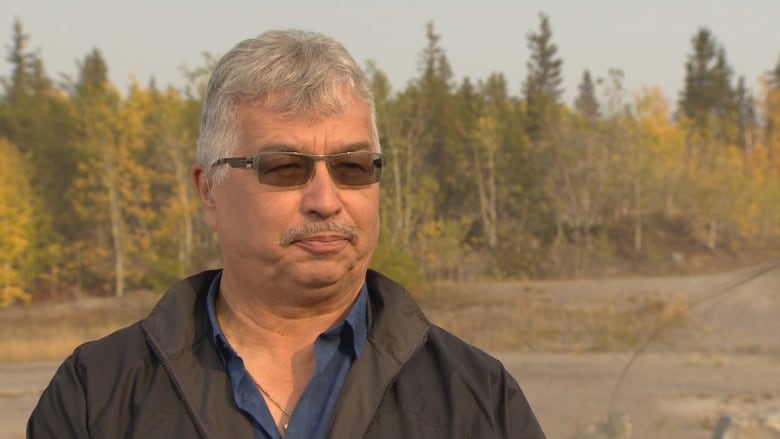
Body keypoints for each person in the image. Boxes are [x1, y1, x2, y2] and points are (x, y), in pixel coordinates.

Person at [27, 29, 546, 438]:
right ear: (209, 191)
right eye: (284, 167)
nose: (326, 200)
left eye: (353, 166)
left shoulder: (479, 398)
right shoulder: (97, 395)